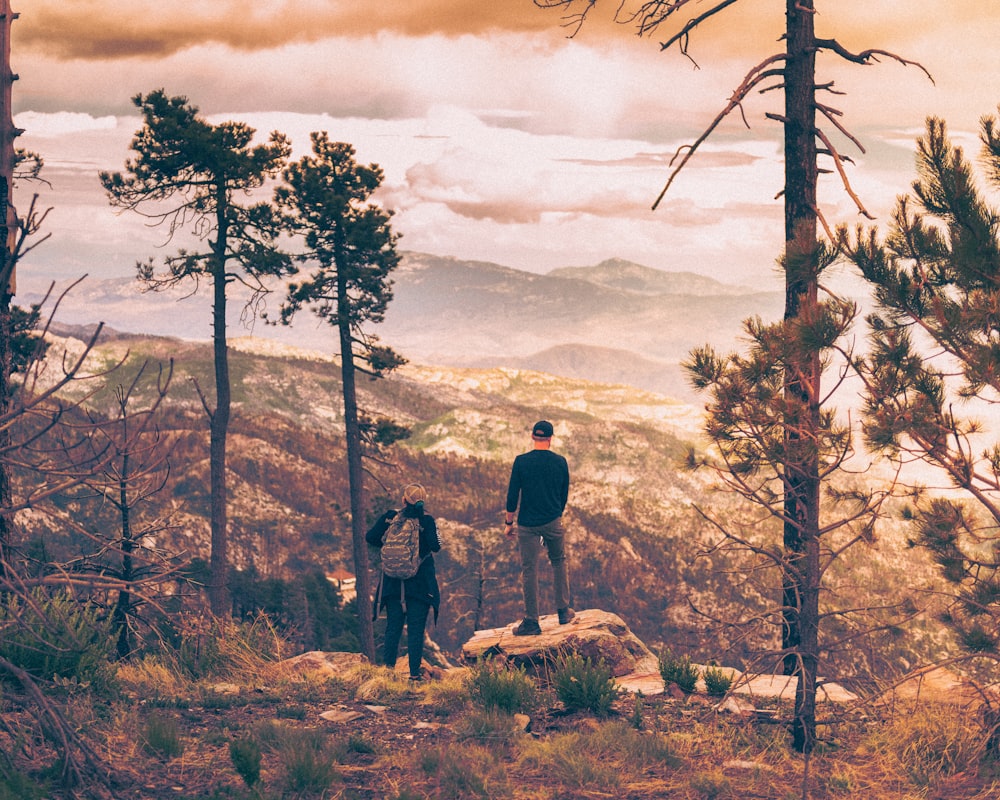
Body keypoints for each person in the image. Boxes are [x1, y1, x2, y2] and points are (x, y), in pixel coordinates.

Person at [504, 419, 574, 636]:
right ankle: (563, 611)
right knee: (559, 561)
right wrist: (555, 515)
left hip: (527, 524)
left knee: (529, 570)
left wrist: (508, 523)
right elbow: (564, 494)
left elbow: (512, 495)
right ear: (551, 439)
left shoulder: (521, 462)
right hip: (553, 520)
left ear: (533, 437)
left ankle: (532, 622)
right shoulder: (560, 462)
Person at [366, 483, 441, 680]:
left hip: (393, 586)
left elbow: (370, 537)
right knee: (416, 631)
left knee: (393, 628)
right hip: (420, 586)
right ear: (424, 501)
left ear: (403, 500)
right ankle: (414, 676)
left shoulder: (391, 517)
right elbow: (436, 546)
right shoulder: (427, 521)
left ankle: (388, 675)